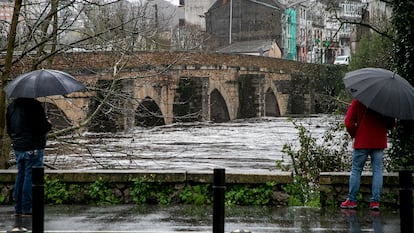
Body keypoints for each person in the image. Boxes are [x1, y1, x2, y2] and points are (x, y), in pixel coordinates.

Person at [340, 99, 395, 211]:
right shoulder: (385, 102)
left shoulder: (358, 101)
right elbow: (391, 123)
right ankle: (375, 202)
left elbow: (348, 122)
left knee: (356, 170)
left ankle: (352, 200)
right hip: (379, 141)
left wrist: (355, 133)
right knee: (378, 171)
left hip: (362, 141)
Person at [6, 98, 52, 216]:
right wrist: (48, 124)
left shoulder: (12, 106)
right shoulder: (34, 105)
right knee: (30, 176)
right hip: (32, 147)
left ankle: (19, 208)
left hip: (18, 147)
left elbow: (9, 129)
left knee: (21, 175)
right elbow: (40, 127)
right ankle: (27, 208)